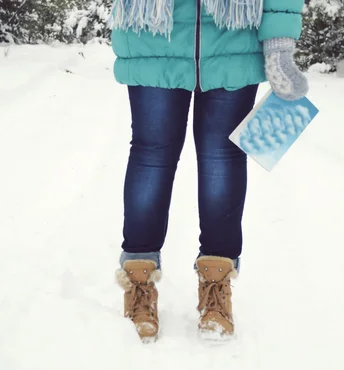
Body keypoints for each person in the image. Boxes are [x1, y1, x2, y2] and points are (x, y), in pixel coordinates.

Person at [110, 0, 309, 342]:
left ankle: (216, 283)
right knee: (151, 156)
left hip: (233, 29)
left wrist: (279, 41)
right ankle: (139, 282)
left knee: (223, 157)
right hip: (155, 28)